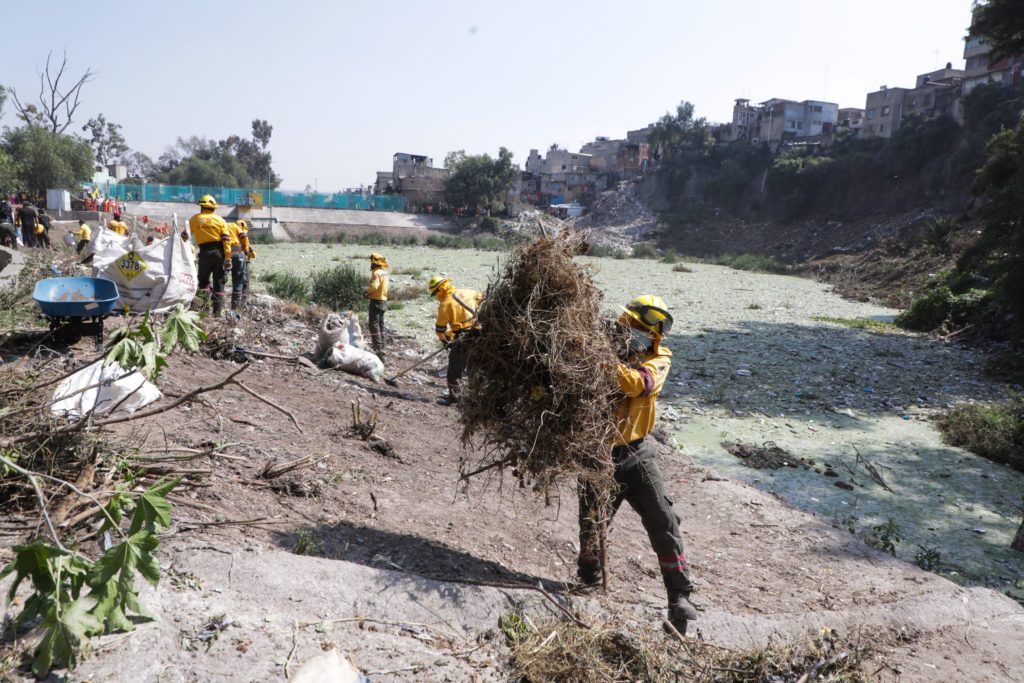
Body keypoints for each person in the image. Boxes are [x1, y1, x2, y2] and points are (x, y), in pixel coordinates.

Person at [576, 295, 698, 635]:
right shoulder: (601, 347)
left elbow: (637, 385)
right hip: (596, 452)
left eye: (642, 330)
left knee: (663, 518)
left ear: (655, 336)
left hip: (637, 452)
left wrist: (600, 360)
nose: (635, 333)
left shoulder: (659, 359)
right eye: (631, 326)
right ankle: (588, 576)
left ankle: (679, 596)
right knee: (591, 523)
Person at [428, 275, 482, 405]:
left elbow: (440, 329)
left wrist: (445, 342)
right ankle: (477, 398)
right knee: (475, 368)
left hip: (463, 338)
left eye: (435, 292)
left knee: (454, 369)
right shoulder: (467, 292)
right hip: (480, 333)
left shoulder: (445, 304)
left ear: (440, 289)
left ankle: (454, 398)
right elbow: (483, 298)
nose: (436, 295)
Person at [186, 195, 231, 316]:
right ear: (214, 208)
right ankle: (217, 313)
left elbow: (184, 236)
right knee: (219, 282)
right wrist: (227, 257)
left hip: (204, 253)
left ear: (201, 207)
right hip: (219, 253)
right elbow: (226, 239)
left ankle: (204, 311)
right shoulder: (220, 221)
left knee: (203, 281)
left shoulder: (195, 219)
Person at [365, 253, 389, 361]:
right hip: (383, 301)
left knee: (373, 325)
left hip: (376, 302)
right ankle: (382, 346)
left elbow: (375, 286)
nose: (370, 265)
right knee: (381, 324)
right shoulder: (384, 272)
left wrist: (367, 292)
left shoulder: (376, 273)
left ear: (374, 263)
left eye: (371, 263)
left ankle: (379, 351)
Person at [226, 220, 255, 311]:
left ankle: (215, 304)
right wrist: (249, 253)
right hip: (240, 258)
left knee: (220, 280)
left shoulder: (227, 229)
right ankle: (237, 306)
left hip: (225, 256)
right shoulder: (240, 233)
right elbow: (251, 253)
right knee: (241, 282)